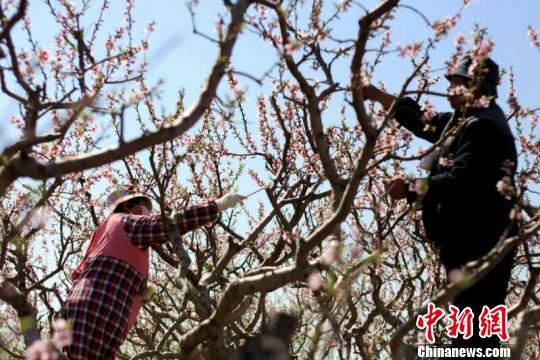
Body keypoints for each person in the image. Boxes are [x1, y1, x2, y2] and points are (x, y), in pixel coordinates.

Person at [363, 54, 517, 352]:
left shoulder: (483, 127)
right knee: (469, 334)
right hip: (470, 246)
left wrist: (410, 187)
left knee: (475, 338)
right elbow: (426, 123)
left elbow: (463, 180)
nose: (449, 90)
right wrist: (379, 96)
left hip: (480, 245)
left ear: (477, 87)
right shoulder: (467, 121)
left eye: (458, 83)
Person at [64, 186, 246, 359]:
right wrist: (216, 205)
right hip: (96, 310)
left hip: (101, 313)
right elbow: (168, 224)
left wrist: (139, 291)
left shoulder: (107, 232)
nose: (146, 210)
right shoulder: (124, 222)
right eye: (142, 205)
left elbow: (106, 270)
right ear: (127, 206)